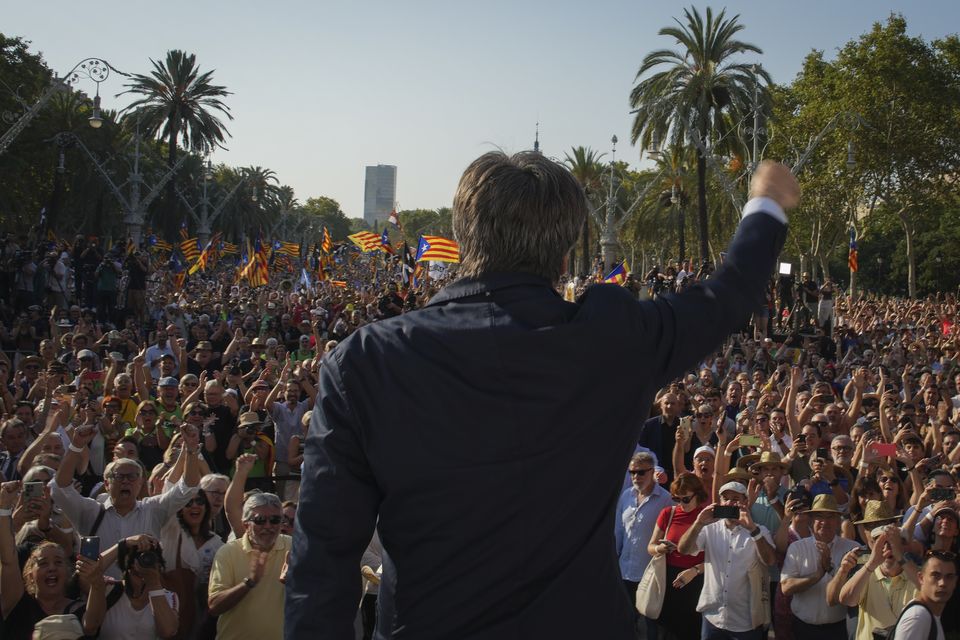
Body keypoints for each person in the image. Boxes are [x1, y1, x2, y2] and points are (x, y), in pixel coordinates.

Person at [287, 155, 796, 639]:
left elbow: (322, 559)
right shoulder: (612, 338)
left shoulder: (364, 362)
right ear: (565, 252)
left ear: (462, 237)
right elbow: (725, 297)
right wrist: (766, 203)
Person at [677, 480, 777, 639]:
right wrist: (698, 523)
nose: (730, 502)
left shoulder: (759, 530)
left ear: (745, 502)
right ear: (720, 502)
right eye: (725, 498)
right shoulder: (709, 528)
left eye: (736, 498)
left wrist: (752, 530)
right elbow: (683, 549)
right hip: (712, 618)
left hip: (746, 622)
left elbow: (770, 561)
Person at [209, 492, 290, 640]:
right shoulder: (227, 552)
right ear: (246, 525)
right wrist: (249, 582)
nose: (268, 526)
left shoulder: (293, 547)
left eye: (275, 519)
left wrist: (298, 580)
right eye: (260, 520)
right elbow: (214, 606)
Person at [780, 494, 860, 639]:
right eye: (819, 516)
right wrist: (818, 575)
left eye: (830, 516)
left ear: (837, 521)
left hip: (839, 630)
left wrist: (830, 569)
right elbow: (786, 587)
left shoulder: (852, 549)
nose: (825, 522)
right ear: (810, 520)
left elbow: (857, 589)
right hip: (804, 629)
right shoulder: (797, 548)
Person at [615, 451, 673, 638]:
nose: (636, 477)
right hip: (624, 571)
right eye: (632, 472)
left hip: (649, 572)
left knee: (650, 627)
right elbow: (619, 531)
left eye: (641, 472)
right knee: (626, 622)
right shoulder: (625, 496)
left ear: (652, 472)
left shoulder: (666, 499)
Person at [647, 472, 708, 639]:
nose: (681, 503)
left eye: (685, 499)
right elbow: (650, 546)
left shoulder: (707, 518)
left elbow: (715, 559)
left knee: (691, 630)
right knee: (666, 630)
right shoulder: (668, 513)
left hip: (695, 579)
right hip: (667, 578)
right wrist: (661, 549)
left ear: (698, 495)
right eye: (677, 499)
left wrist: (695, 570)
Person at [892, 551, 958, 640]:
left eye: (949, 577)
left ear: (955, 581)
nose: (943, 583)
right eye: (935, 575)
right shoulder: (918, 617)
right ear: (921, 578)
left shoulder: (928, 615)